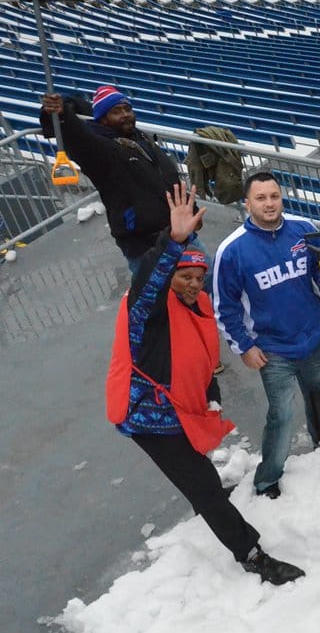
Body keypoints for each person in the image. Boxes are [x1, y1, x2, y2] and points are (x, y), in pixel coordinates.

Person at [105, 183, 304, 585]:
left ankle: (212, 501)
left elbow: (204, 358)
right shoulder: (147, 312)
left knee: (202, 477)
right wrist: (172, 242)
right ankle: (252, 555)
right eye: (185, 277)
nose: (194, 284)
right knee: (203, 489)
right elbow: (148, 283)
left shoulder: (196, 304)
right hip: (149, 418)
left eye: (199, 277)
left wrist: (210, 395)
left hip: (179, 407)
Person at [213, 172, 320, 498]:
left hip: (314, 338)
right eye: (261, 198)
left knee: (318, 399)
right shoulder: (232, 251)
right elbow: (224, 308)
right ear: (247, 203)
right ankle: (267, 478)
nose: (269, 203)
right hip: (273, 350)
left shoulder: (303, 228)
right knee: (282, 414)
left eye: (274, 196)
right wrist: (244, 347)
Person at [41, 87, 179, 274]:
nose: (125, 115)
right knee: (153, 296)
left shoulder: (139, 137)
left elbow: (169, 177)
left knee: (205, 281)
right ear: (103, 119)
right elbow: (78, 138)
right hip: (144, 244)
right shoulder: (100, 150)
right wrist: (61, 114)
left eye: (127, 109)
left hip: (179, 231)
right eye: (116, 111)